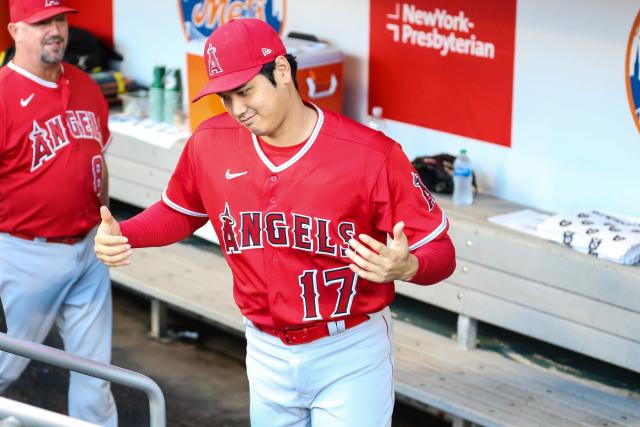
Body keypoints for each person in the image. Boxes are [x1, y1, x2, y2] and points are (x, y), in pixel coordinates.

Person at [95, 18, 455, 426]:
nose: (238, 109)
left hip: (348, 351)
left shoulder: (371, 155)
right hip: (263, 349)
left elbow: (441, 251)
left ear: (282, 72)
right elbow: (180, 211)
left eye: (246, 91)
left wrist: (410, 266)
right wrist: (126, 234)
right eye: (226, 97)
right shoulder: (210, 142)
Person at [0, 1, 117, 425]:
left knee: (95, 374)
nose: (55, 29)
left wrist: (105, 223)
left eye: (60, 19)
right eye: (41, 22)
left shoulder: (86, 85)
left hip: (88, 251)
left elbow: (99, 163)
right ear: (15, 30)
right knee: (4, 366)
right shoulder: (3, 94)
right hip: (23, 254)